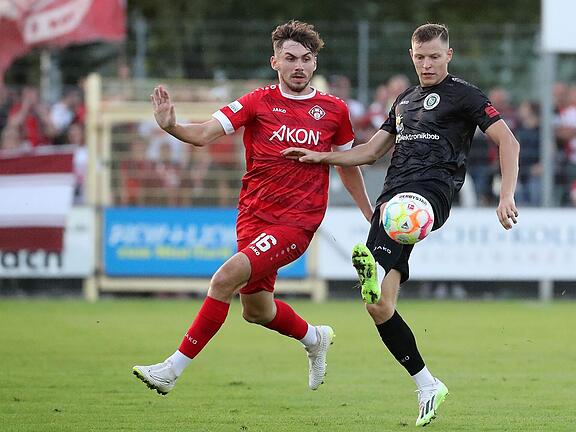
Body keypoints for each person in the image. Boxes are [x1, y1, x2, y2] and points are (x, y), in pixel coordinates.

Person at [282, 23, 520, 426]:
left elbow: (508, 142)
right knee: (378, 306)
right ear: (412, 56)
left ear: (448, 55)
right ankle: (428, 384)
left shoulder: (466, 95)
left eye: (434, 56)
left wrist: (506, 195)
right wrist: (320, 156)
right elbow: (371, 151)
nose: (426, 64)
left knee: (404, 214)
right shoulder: (405, 100)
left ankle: (371, 266)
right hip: (390, 198)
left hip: (432, 194)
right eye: (419, 57)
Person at [132, 20, 373, 396]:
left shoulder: (334, 110)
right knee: (256, 310)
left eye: (307, 59)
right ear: (274, 61)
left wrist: (370, 215)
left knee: (223, 279)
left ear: (314, 64)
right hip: (253, 217)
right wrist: (172, 126)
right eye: (290, 58)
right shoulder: (256, 101)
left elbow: (348, 166)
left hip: (297, 223)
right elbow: (203, 135)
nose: (299, 66)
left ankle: (171, 370)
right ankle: (314, 338)